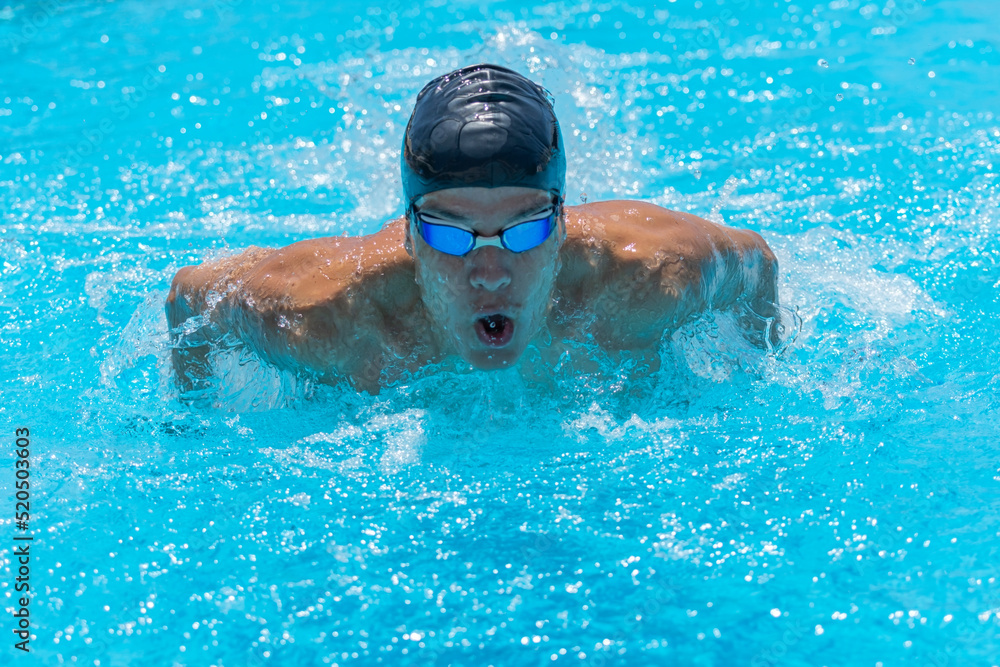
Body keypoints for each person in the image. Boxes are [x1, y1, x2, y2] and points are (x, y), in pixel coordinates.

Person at [165, 63, 785, 394]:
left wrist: (762, 374)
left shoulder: (646, 280)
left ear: (563, 226)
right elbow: (190, 293)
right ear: (409, 235)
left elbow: (758, 263)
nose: (490, 272)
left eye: (523, 231)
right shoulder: (331, 318)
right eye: (450, 235)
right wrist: (189, 426)